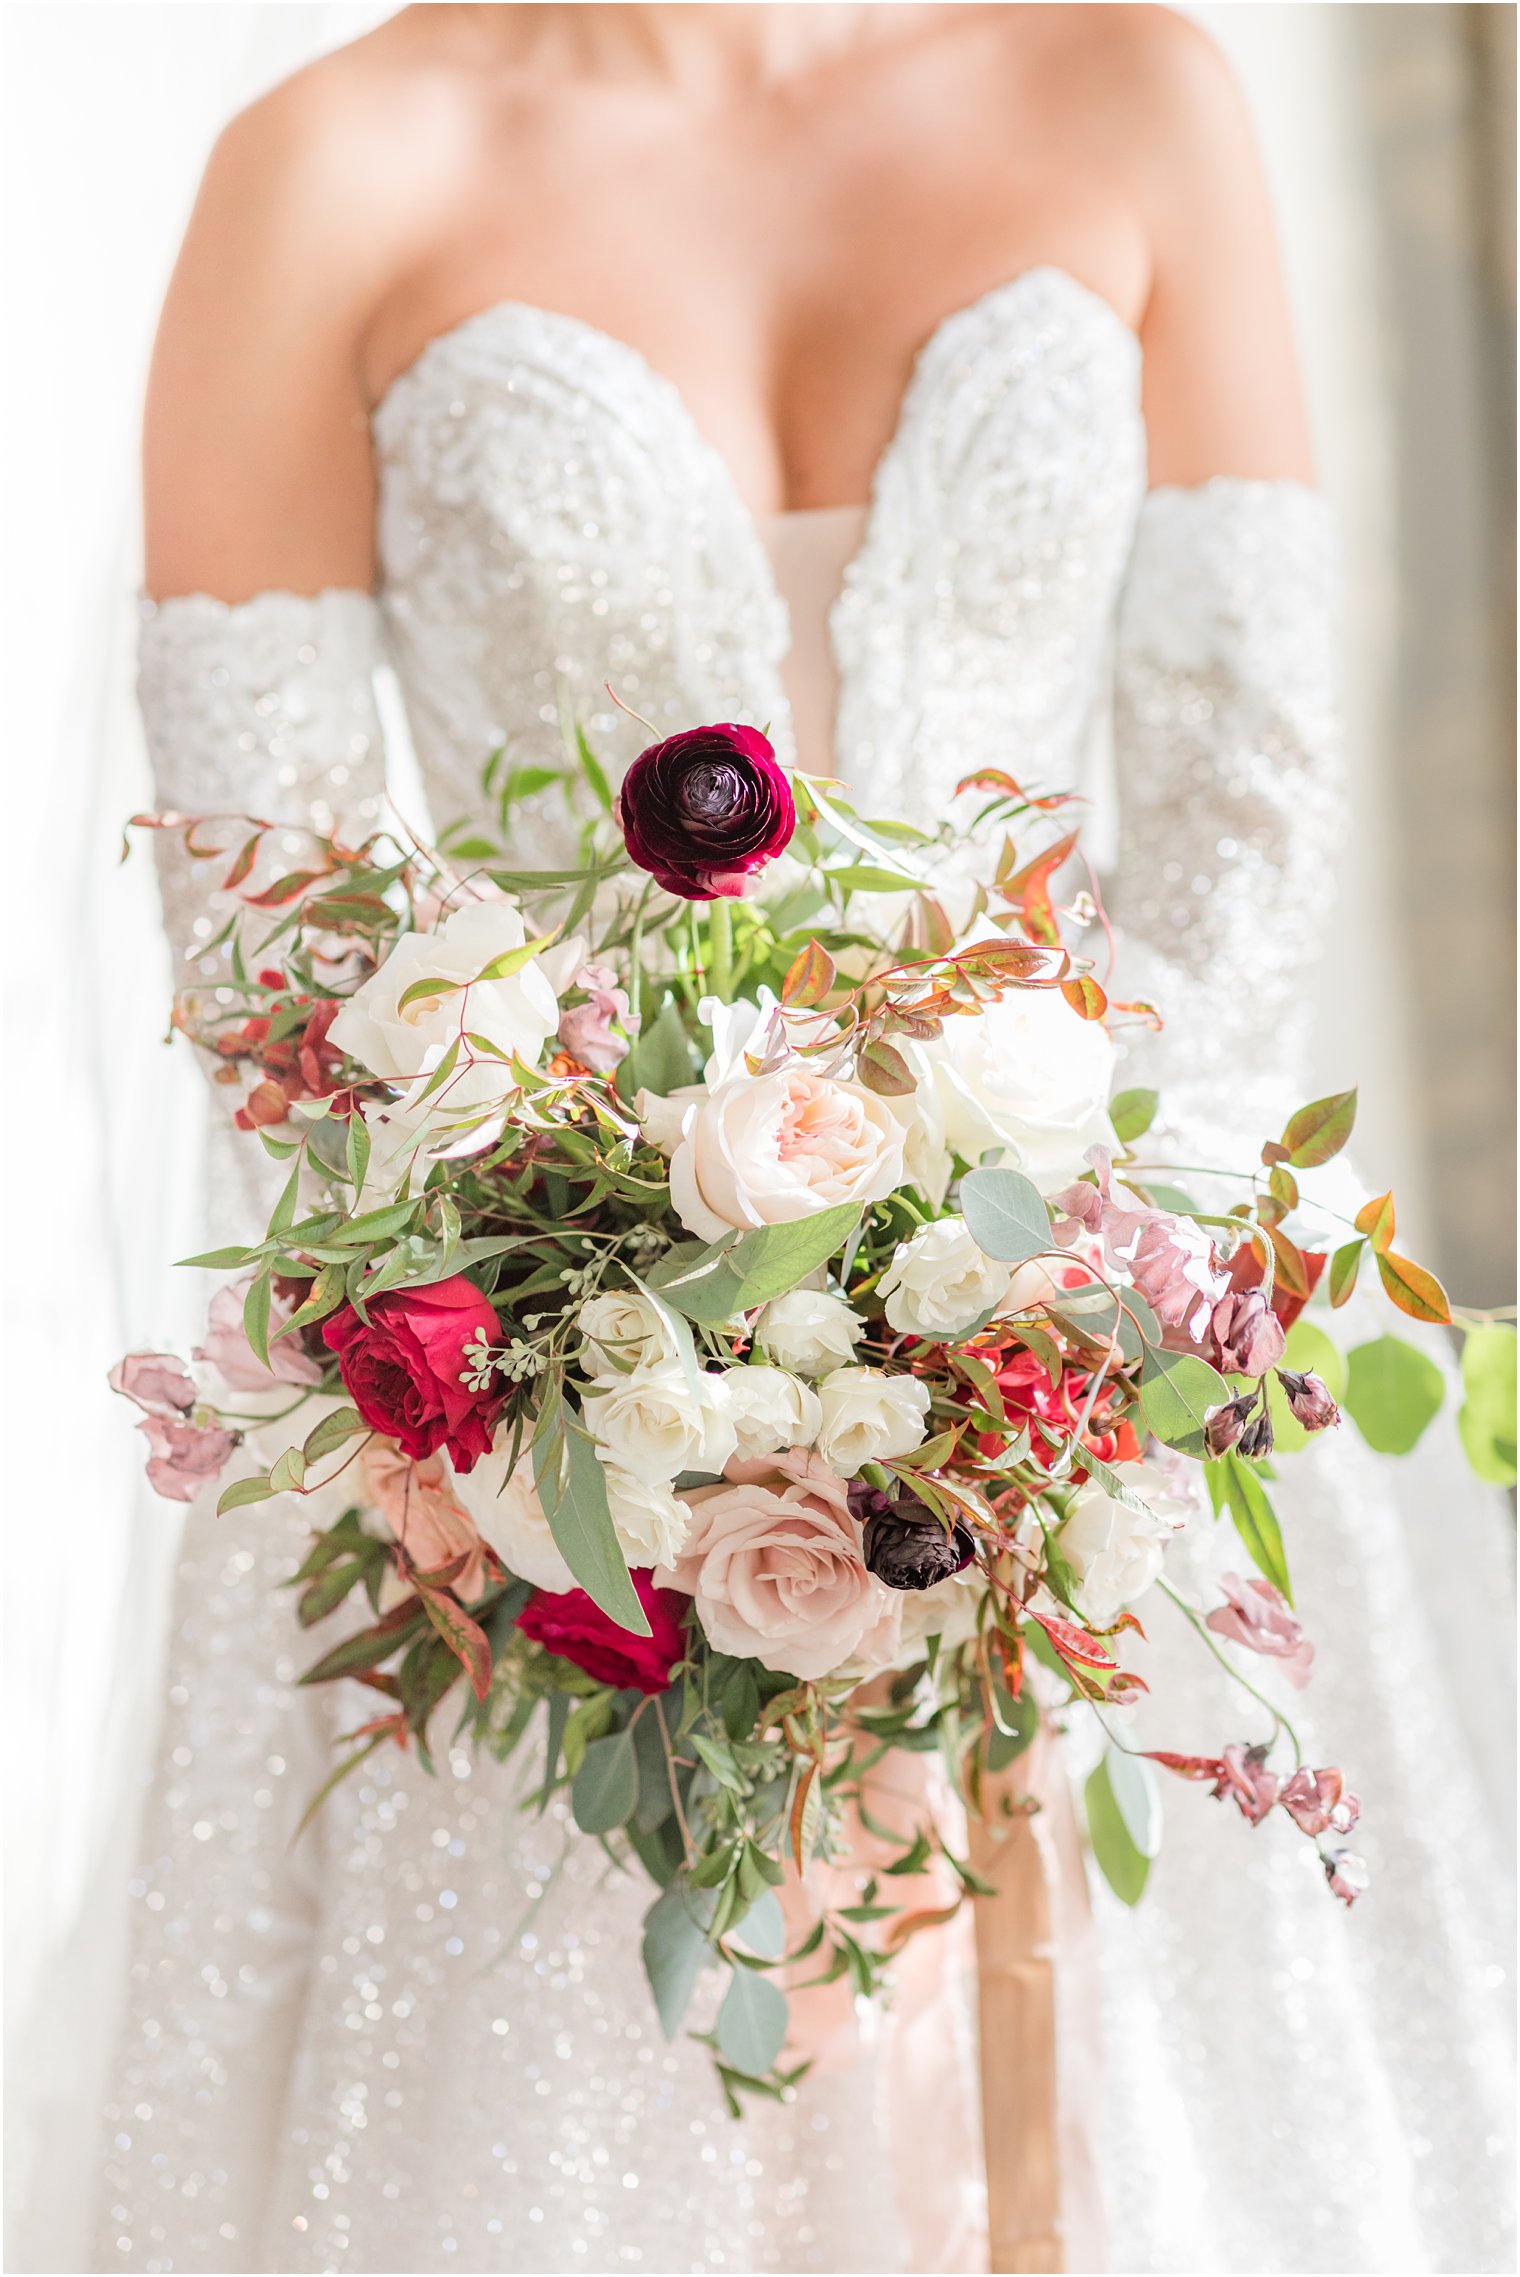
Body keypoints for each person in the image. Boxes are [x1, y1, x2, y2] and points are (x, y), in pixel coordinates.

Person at [96, 7, 1514, 2272]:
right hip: (537, 1444)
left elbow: (1245, 816)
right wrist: (650, 1402)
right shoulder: (326, 167)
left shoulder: (1126, 80)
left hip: (1101, 1352)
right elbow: (274, 946)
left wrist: (1003, 1356)